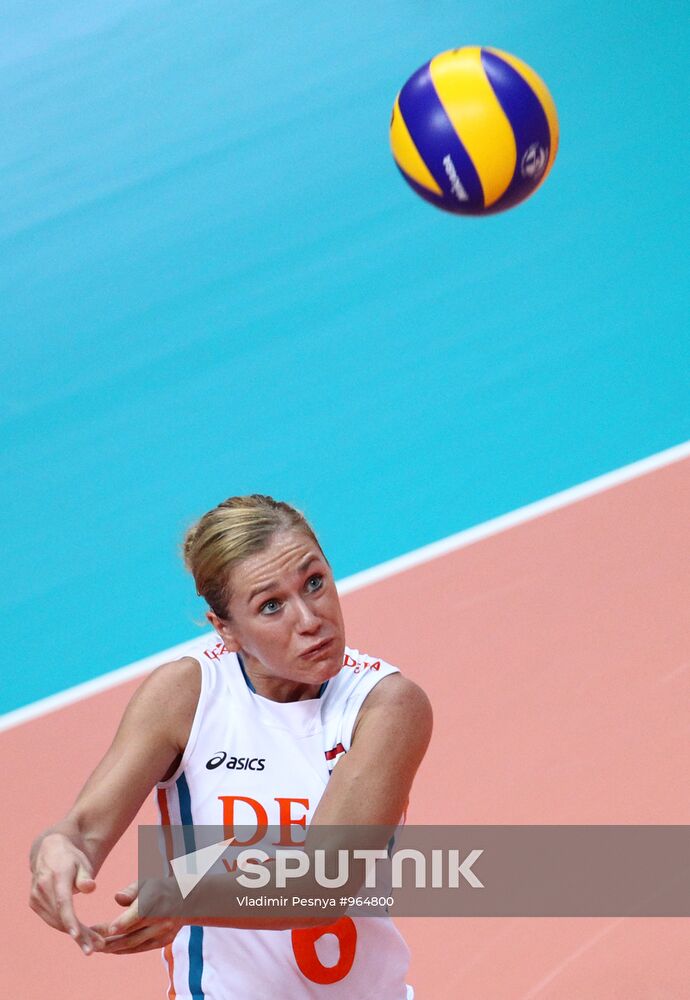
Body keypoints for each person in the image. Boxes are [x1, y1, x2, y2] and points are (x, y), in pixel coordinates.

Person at [30, 494, 433, 998]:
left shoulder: (386, 705)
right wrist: (59, 851)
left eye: (314, 582)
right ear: (226, 630)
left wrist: (187, 895)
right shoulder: (187, 696)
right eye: (271, 606)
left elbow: (323, 883)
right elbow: (84, 829)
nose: (310, 619)